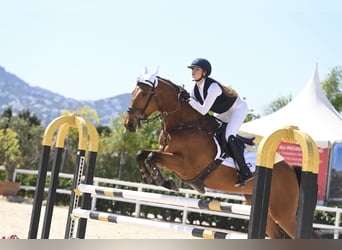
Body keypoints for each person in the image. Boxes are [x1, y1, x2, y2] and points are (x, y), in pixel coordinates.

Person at [183, 58, 253, 187]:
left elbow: (203, 110)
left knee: (228, 135)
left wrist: (189, 100)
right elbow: (193, 108)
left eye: (196, 69)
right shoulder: (195, 90)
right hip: (224, 112)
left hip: (237, 109)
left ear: (204, 72)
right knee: (212, 130)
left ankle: (245, 171)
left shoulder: (213, 87)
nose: (193, 71)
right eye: (192, 69)